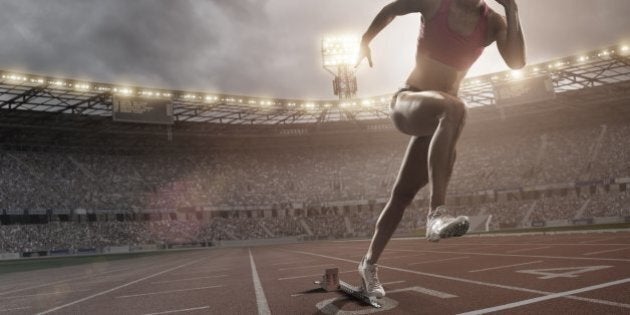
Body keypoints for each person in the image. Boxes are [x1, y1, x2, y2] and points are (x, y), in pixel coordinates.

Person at [355, 0, 525, 298]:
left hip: (439, 123)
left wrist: (512, 9)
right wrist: (365, 40)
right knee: (454, 107)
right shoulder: (435, 4)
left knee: (401, 196)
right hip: (409, 102)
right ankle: (436, 214)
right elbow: (392, 9)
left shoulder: (494, 22)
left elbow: (517, 62)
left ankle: (368, 265)